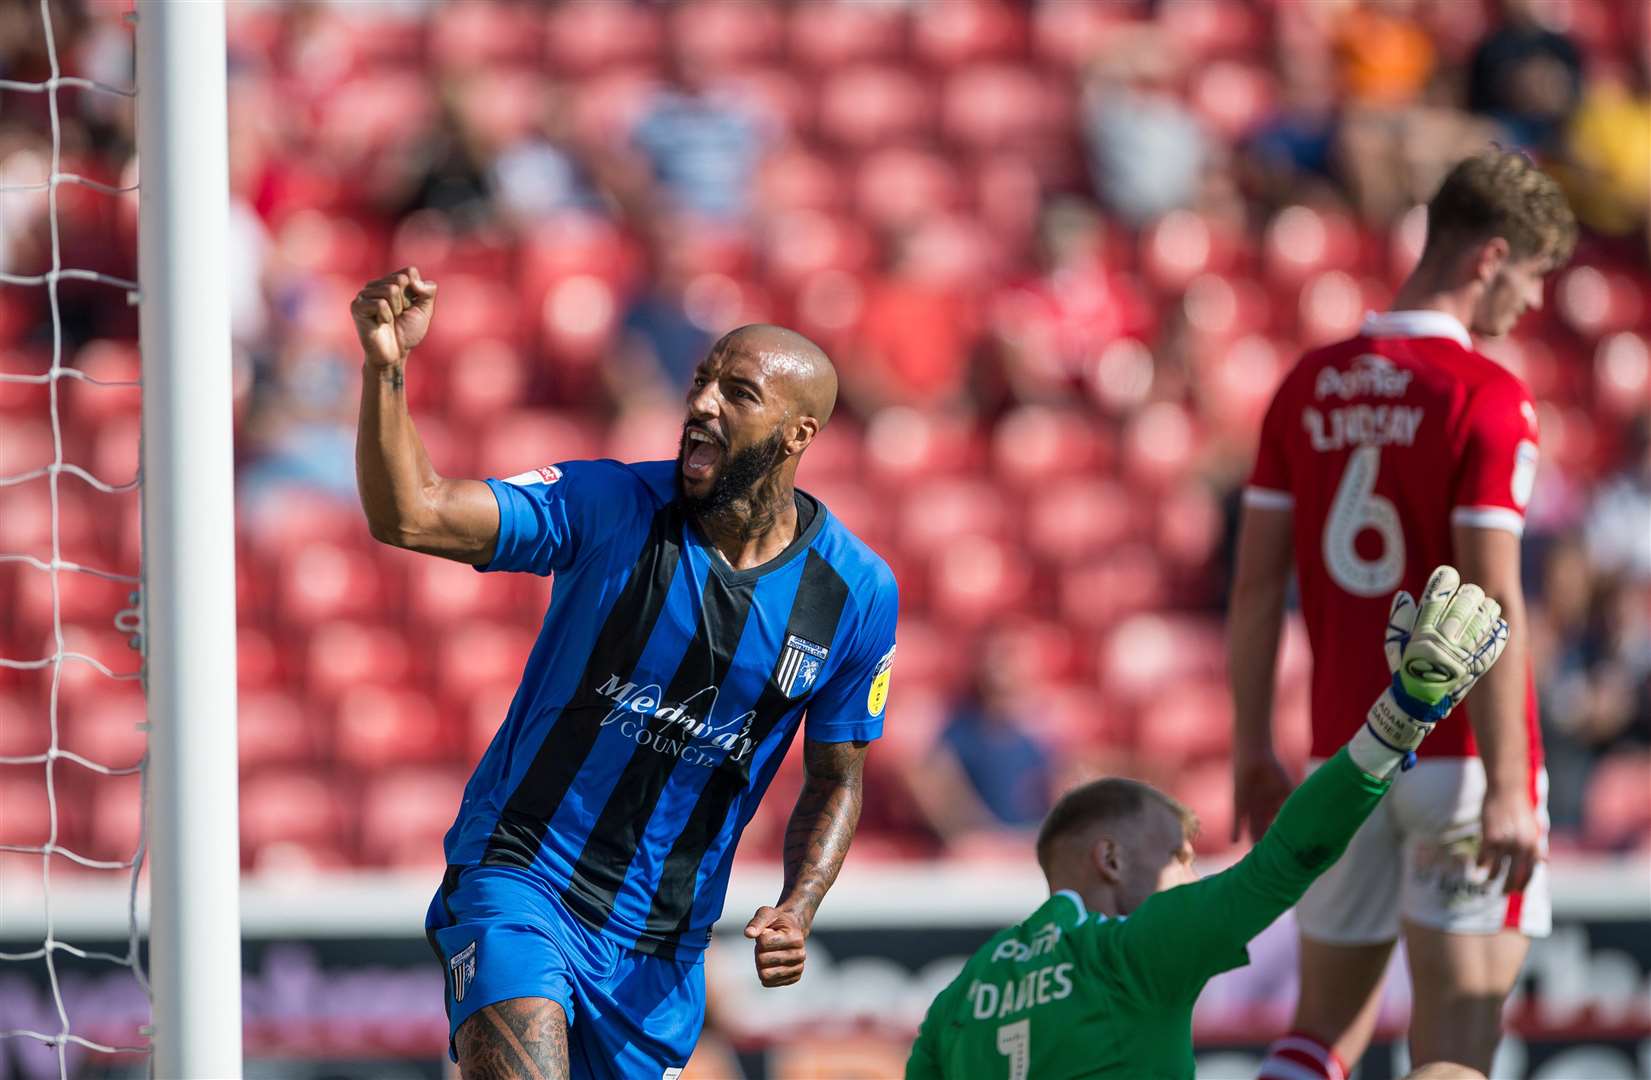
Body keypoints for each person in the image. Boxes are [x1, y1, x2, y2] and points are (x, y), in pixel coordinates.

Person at [351, 268, 899, 1079]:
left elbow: (836, 778)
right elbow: (412, 512)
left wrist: (797, 906)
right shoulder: (609, 505)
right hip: (522, 878)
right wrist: (386, 370)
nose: (704, 403)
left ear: (798, 435)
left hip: (657, 950)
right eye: (701, 381)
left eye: (738, 392)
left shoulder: (854, 593)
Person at [1229, 149, 1577, 1077]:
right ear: (1488, 256)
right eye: (1534, 276)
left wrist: (1252, 748)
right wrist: (1509, 786)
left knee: (1317, 1036)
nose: (1533, 303)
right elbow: (1493, 594)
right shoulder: (1486, 397)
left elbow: (1257, 588)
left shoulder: (1308, 384)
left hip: (1343, 758)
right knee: (1455, 1043)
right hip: (1460, 760)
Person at [906, 566, 1511, 1079]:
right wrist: (1399, 717)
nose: (1193, 874)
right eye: (1178, 855)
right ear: (1111, 860)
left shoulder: (959, 999)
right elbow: (1286, 858)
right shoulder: (1133, 950)